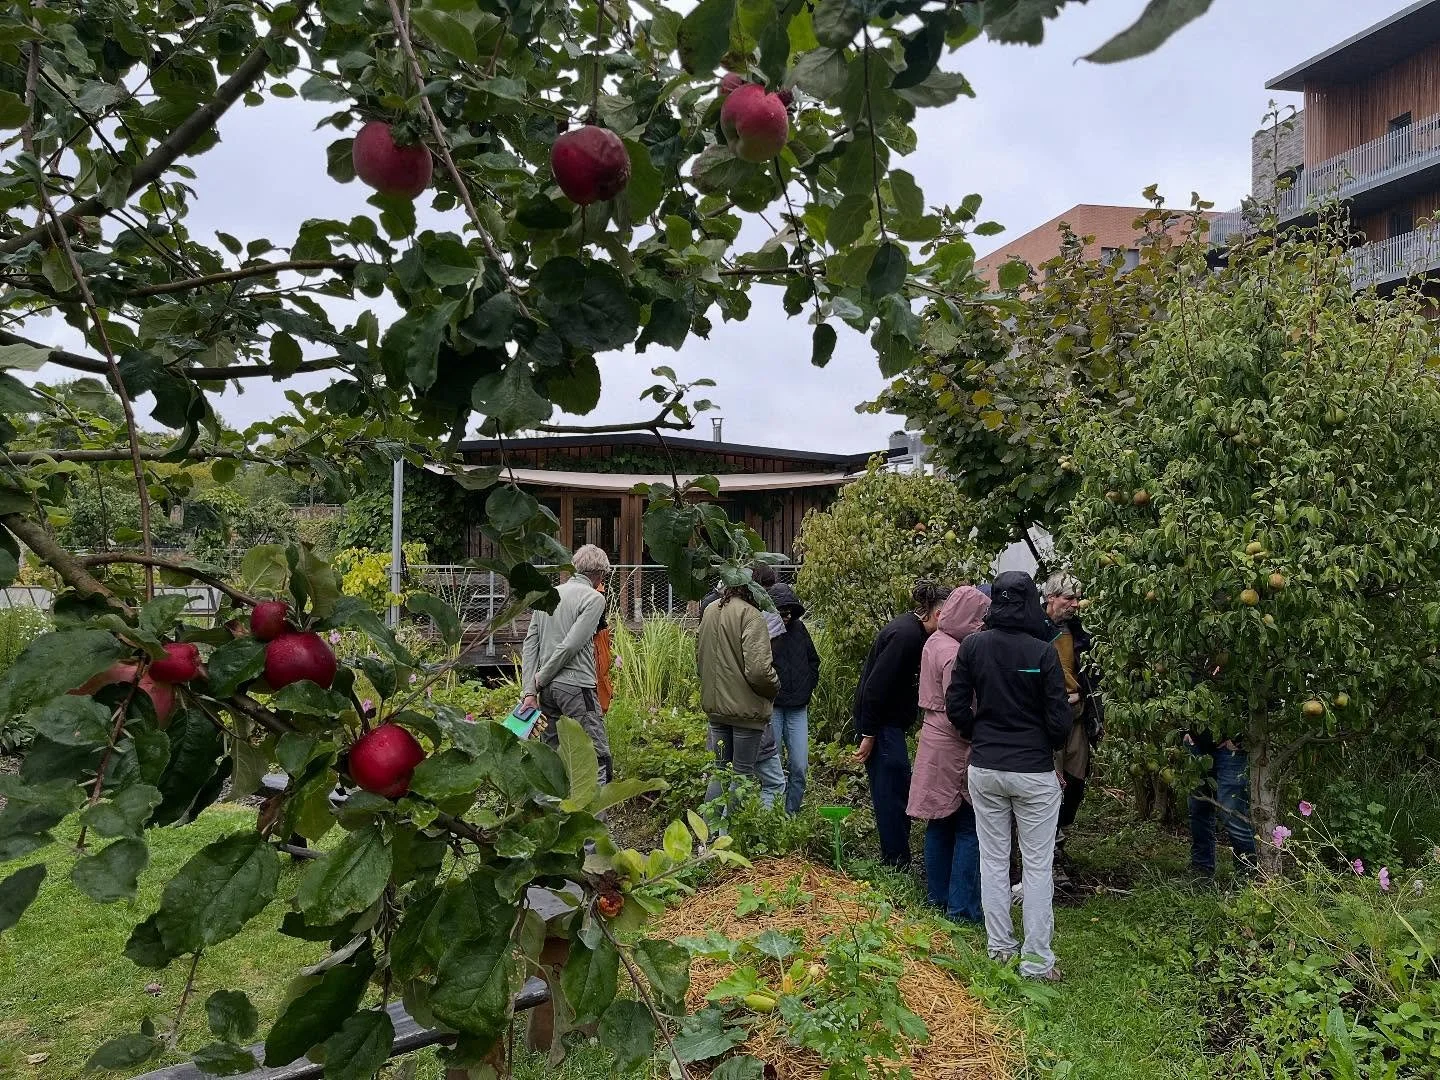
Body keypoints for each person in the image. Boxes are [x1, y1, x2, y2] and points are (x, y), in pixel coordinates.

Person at [947, 571, 1072, 981]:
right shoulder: (1042, 652)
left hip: (985, 767)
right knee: (1037, 866)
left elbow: (956, 706)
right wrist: (1045, 746)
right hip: (1033, 770)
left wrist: (975, 731)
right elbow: (1059, 719)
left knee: (994, 860)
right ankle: (1036, 961)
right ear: (1031, 601)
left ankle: (1000, 949)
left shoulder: (973, 647)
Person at [853, 581, 952, 869]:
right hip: (881, 723)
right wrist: (869, 734)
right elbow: (875, 687)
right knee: (891, 790)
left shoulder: (914, 631)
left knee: (897, 785)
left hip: (888, 722)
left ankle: (898, 856)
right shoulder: (906, 636)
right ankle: (895, 861)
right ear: (938, 613)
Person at [908, 585, 991, 922]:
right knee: (968, 826)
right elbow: (961, 706)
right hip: (955, 744)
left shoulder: (935, 641)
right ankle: (961, 908)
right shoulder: (957, 653)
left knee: (939, 823)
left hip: (933, 738)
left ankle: (936, 898)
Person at [521, 544, 612, 787]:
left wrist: (530, 690)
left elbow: (530, 643)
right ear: (600, 574)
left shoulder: (548, 594)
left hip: (547, 692)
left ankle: (556, 816)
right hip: (577, 687)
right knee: (597, 755)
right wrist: (540, 678)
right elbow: (571, 645)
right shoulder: (594, 598)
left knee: (553, 757)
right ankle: (595, 820)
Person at [1041, 572, 1104, 877]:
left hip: (1077, 717)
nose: (1075, 605)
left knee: (1075, 783)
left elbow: (1092, 676)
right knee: (1049, 785)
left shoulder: (1080, 635)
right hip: (1046, 720)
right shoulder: (1035, 632)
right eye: (1068, 598)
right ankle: (1048, 852)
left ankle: (1059, 841)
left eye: (1077, 598)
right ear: (1050, 598)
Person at [697, 583, 780, 811]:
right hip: (745, 711)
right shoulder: (751, 615)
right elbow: (759, 671)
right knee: (741, 775)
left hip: (716, 710)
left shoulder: (711, 610)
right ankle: (731, 837)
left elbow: (699, 657)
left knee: (720, 771)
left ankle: (709, 838)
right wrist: (774, 686)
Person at [767, 581, 821, 815]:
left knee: (799, 765)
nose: (786, 616)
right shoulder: (765, 632)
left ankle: (792, 814)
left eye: (789, 611)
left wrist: (807, 688)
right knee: (774, 765)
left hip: (798, 707)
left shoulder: (800, 630)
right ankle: (775, 815)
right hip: (774, 707)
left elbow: (813, 661)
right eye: (781, 612)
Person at [1186, 727, 1257, 879]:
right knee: (1198, 809)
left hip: (1230, 748)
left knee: (1232, 814)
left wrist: (1238, 737)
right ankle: (1201, 871)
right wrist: (1184, 732)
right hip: (1196, 745)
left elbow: (1268, 705)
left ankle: (1247, 877)